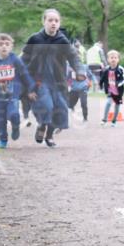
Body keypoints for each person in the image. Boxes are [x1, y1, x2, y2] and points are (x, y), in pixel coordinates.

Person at [21, 8, 80, 147]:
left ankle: (49, 135)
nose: (53, 23)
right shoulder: (35, 38)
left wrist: (79, 71)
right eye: (50, 20)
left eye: (56, 21)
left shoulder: (62, 40)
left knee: (59, 108)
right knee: (46, 105)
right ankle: (42, 125)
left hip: (58, 80)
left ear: (59, 23)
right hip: (39, 80)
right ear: (44, 22)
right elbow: (24, 58)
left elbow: (73, 57)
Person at [0, 34, 36, 148]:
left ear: (11, 47)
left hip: (12, 94)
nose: (4, 47)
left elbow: (25, 74)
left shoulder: (15, 60)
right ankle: (3, 139)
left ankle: (15, 126)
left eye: (7, 44)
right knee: (0, 119)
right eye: (0, 44)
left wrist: (31, 88)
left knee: (14, 114)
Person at [99, 50, 124, 126]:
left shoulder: (120, 69)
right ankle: (104, 119)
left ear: (118, 59)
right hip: (110, 90)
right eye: (111, 58)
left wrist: (118, 83)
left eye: (115, 58)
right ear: (108, 60)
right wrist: (100, 85)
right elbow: (102, 78)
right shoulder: (106, 69)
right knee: (108, 103)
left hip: (118, 91)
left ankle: (114, 121)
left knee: (117, 106)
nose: (113, 59)